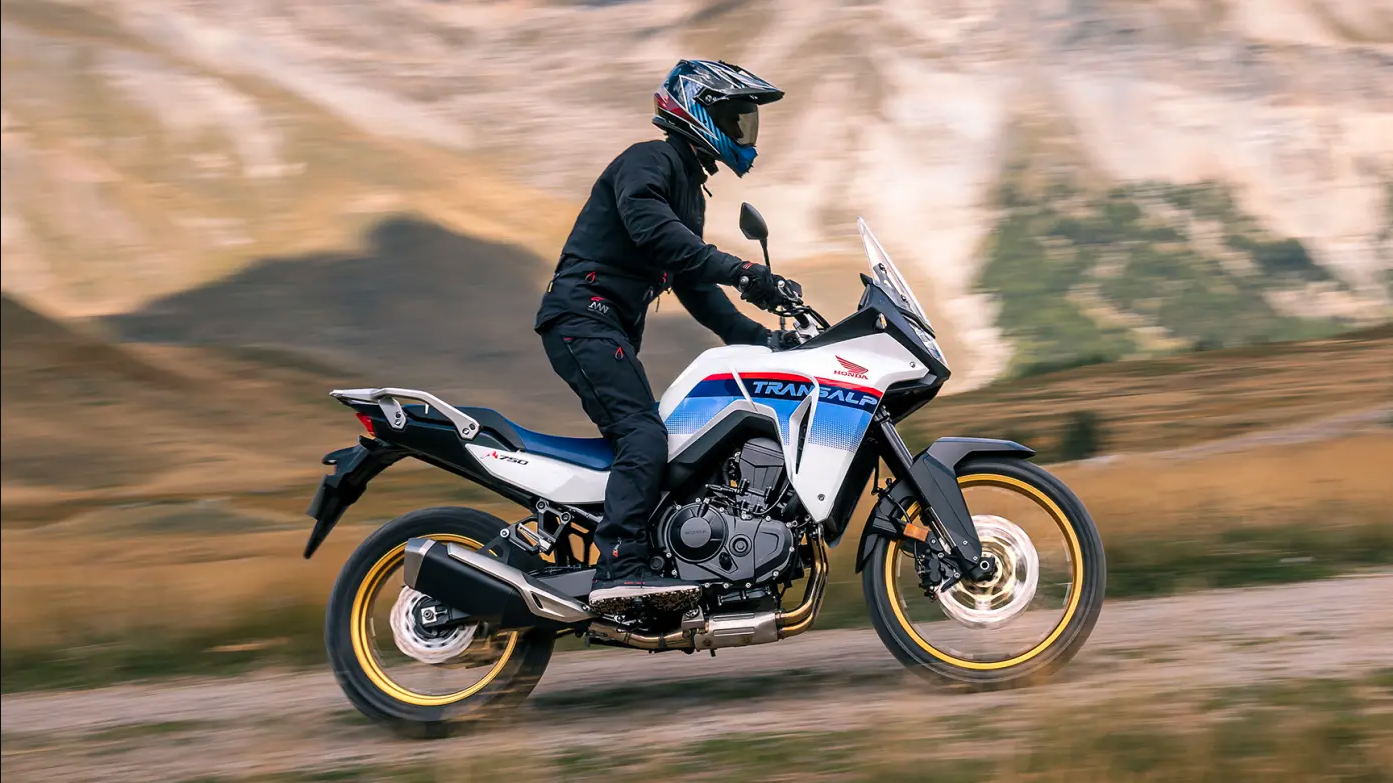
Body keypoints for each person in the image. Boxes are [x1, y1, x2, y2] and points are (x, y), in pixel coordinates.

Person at [535, 59, 803, 615]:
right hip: (582, 318)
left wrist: (764, 340)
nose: (745, 133)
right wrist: (742, 271)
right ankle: (619, 569)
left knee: (679, 434)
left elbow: (696, 287)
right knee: (643, 435)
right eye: (735, 119)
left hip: (601, 325)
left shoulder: (689, 189)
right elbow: (654, 231)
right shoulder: (648, 161)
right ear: (698, 112)